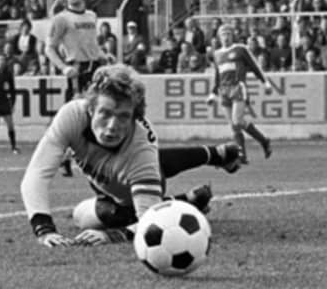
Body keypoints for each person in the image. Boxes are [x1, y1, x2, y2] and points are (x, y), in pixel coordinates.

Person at [20, 65, 244, 247]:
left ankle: (185, 198)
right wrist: (44, 229)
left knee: (103, 213)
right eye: (105, 113)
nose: (112, 126)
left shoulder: (141, 147)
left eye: (123, 117)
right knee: (81, 215)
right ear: (90, 109)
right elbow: (37, 172)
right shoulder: (72, 115)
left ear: (135, 118)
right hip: (107, 184)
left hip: (130, 186)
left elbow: (149, 222)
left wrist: (113, 235)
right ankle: (208, 167)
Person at [45, 0, 108, 177]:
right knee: (77, 116)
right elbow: (49, 48)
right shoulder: (61, 19)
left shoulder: (91, 16)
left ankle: (88, 157)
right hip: (77, 70)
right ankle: (64, 155)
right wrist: (63, 67)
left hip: (95, 69)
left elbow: (92, 43)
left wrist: (102, 55)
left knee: (97, 113)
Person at [206, 24, 273, 163]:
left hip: (238, 87)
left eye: (228, 34)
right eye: (223, 34)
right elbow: (217, 75)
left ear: (232, 36)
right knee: (233, 125)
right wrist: (213, 94)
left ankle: (263, 141)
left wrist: (265, 82)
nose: (226, 37)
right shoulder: (217, 54)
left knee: (237, 121)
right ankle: (242, 156)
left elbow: (255, 66)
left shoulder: (240, 49)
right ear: (219, 37)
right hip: (223, 90)